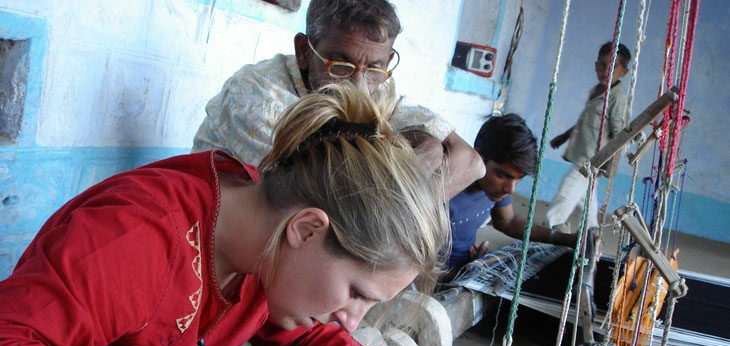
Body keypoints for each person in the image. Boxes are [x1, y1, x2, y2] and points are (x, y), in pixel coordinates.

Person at [0, 84, 450, 346]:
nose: (352, 323)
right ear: (309, 229)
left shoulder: (264, 241)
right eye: (357, 294)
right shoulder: (137, 236)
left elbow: (294, 335)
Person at [192, 0, 484, 199]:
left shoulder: (377, 85)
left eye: (374, 67)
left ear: (388, 60)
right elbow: (332, 203)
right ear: (304, 51)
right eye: (340, 65)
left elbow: (471, 163)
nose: (358, 87)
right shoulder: (256, 98)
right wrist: (411, 199)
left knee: (431, 145)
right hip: (213, 237)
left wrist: (428, 150)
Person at [447, 114, 578, 272]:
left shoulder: (493, 189)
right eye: (502, 176)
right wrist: (458, 274)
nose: (510, 189)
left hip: (465, 265)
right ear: (478, 157)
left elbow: (507, 221)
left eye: (518, 180)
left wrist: (564, 239)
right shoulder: (447, 190)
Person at [544, 41, 631, 231]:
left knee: (567, 191)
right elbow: (585, 121)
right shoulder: (597, 91)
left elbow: (619, 135)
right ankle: (593, 234)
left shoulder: (617, 99)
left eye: (613, 66)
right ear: (595, 66)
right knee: (586, 200)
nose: (605, 70)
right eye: (601, 64)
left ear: (623, 72)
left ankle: (551, 227)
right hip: (583, 154)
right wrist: (563, 137)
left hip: (592, 161)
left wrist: (607, 163)